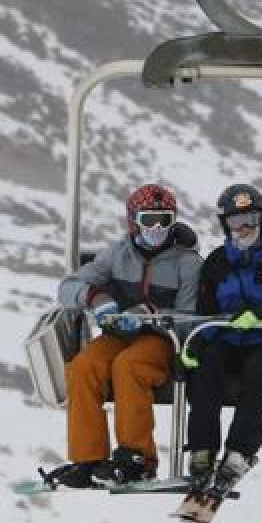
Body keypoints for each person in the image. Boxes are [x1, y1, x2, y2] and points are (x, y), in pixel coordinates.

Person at [54, 184, 202, 487]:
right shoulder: (117, 255)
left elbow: (189, 320)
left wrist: (153, 316)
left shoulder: (187, 263)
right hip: (119, 335)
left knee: (129, 366)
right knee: (84, 367)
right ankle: (88, 458)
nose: (157, 228)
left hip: (163, 340)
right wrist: (94, 298)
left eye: (166, 220)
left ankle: (137, 459)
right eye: (149, 220)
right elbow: (66, 288)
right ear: (133, 221)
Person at [184, 183, 262, 485]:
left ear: (261, 219)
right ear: (225, 224)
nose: (244, 228)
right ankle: (203, 448)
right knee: (206, 365)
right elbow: (206, 314)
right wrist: (198, 340)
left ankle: (240, 451)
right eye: (236, 221)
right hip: (229, 340)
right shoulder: (217, 263)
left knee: (260, 370)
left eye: (251, 219)